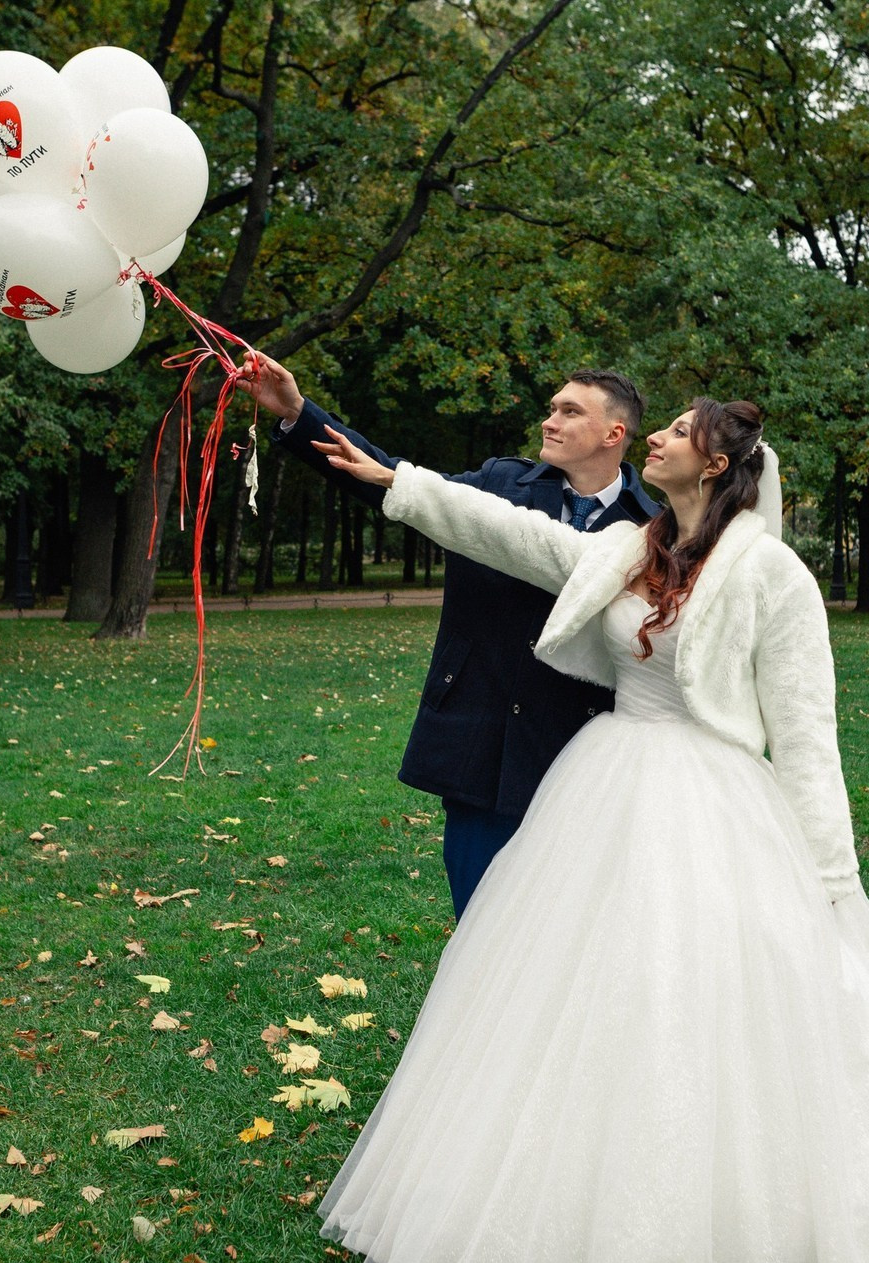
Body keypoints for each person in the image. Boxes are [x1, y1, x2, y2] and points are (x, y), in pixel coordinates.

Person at [306, 399, 869, 1263]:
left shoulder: (773, 578)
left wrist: (827, 881)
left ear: (714, 464)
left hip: (713, 806)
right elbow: (515, 535)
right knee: (580, 996)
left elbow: (807, 737)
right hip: (600, 789)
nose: (658, 439)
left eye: (676, 430)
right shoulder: (632, 549)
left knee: (707, 1001)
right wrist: (400, 483)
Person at [237, 354, 658, 918]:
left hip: (575, 747)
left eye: (568, 411)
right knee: (479, 918)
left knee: (565, 923)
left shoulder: (654, 527)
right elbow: (384, 477)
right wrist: (297, 412)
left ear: (614, 433)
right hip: (482, 738)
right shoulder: (499, 481)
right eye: (551, 408)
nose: (548, 421)